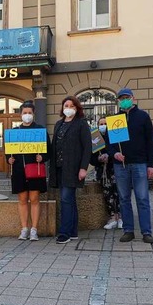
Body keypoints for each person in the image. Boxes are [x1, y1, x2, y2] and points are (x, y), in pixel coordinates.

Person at [107, 88, 153, 244]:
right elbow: (109, 143)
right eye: (121, 98)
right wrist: (114, 154)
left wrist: (151, 164)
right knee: (124, 198)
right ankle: (128, 230)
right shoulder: (115, 119)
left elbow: (150, 141)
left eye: (127, 97)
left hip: (140, 163)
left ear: (133, 98)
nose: (124, 100)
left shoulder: (143, 117)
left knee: (142, 198)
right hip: (120, 164)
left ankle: (146, 232)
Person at [49, 96, 92, 244]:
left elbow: (87, 148)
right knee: (70, 200)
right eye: (66, 105)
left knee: (66, 199)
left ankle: (64, 233)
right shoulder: (58, 124)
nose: (68, 108)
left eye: (72, 106)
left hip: (73, 168)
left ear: (77, 108)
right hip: (59, 168)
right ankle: (73, 231)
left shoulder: (81, 124)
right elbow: (54, 145)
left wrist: (83, 168)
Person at [7, 101, 51, 241]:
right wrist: (9, 160)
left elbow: (48, 151)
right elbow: (9, 152)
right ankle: (24, 228)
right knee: (22, 199)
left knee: (34, 198)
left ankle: (34, 229)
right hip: (19, 170)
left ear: (34, 114)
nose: (27, 115)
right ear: (20, 114)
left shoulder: (40, 130)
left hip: (34, 170)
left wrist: (42, 157)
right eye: (24, 113)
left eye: (29, 113)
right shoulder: (14, 132)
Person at [89, 117, 122, 230]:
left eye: (105, 123)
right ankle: (113, 216)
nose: (103, 126)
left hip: (115, 169)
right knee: (108, 194)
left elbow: (119, 151)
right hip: (102, 172)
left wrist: (110, 157)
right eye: (101, 124)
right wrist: (99, 159)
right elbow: (91, 158)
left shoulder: (114, 137)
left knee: (118, 192)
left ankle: (121, 217)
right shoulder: (95, 139)